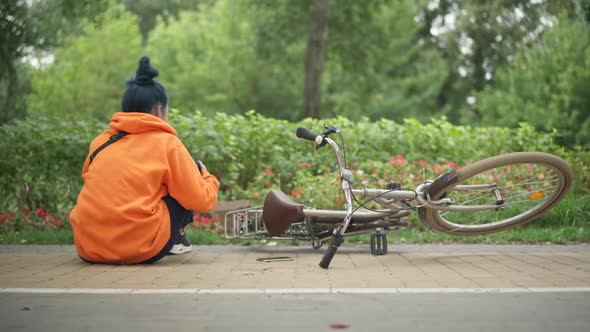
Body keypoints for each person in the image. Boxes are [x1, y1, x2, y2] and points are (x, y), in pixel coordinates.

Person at [70, 56, 219, 264]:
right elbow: (201, 200)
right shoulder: (167, 144)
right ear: (159, 110)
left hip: (88, 247)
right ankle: (175, 239)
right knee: (187, 174)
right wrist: (205, 175)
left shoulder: (100, 142)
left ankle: (107, 241)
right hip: (141, 247)